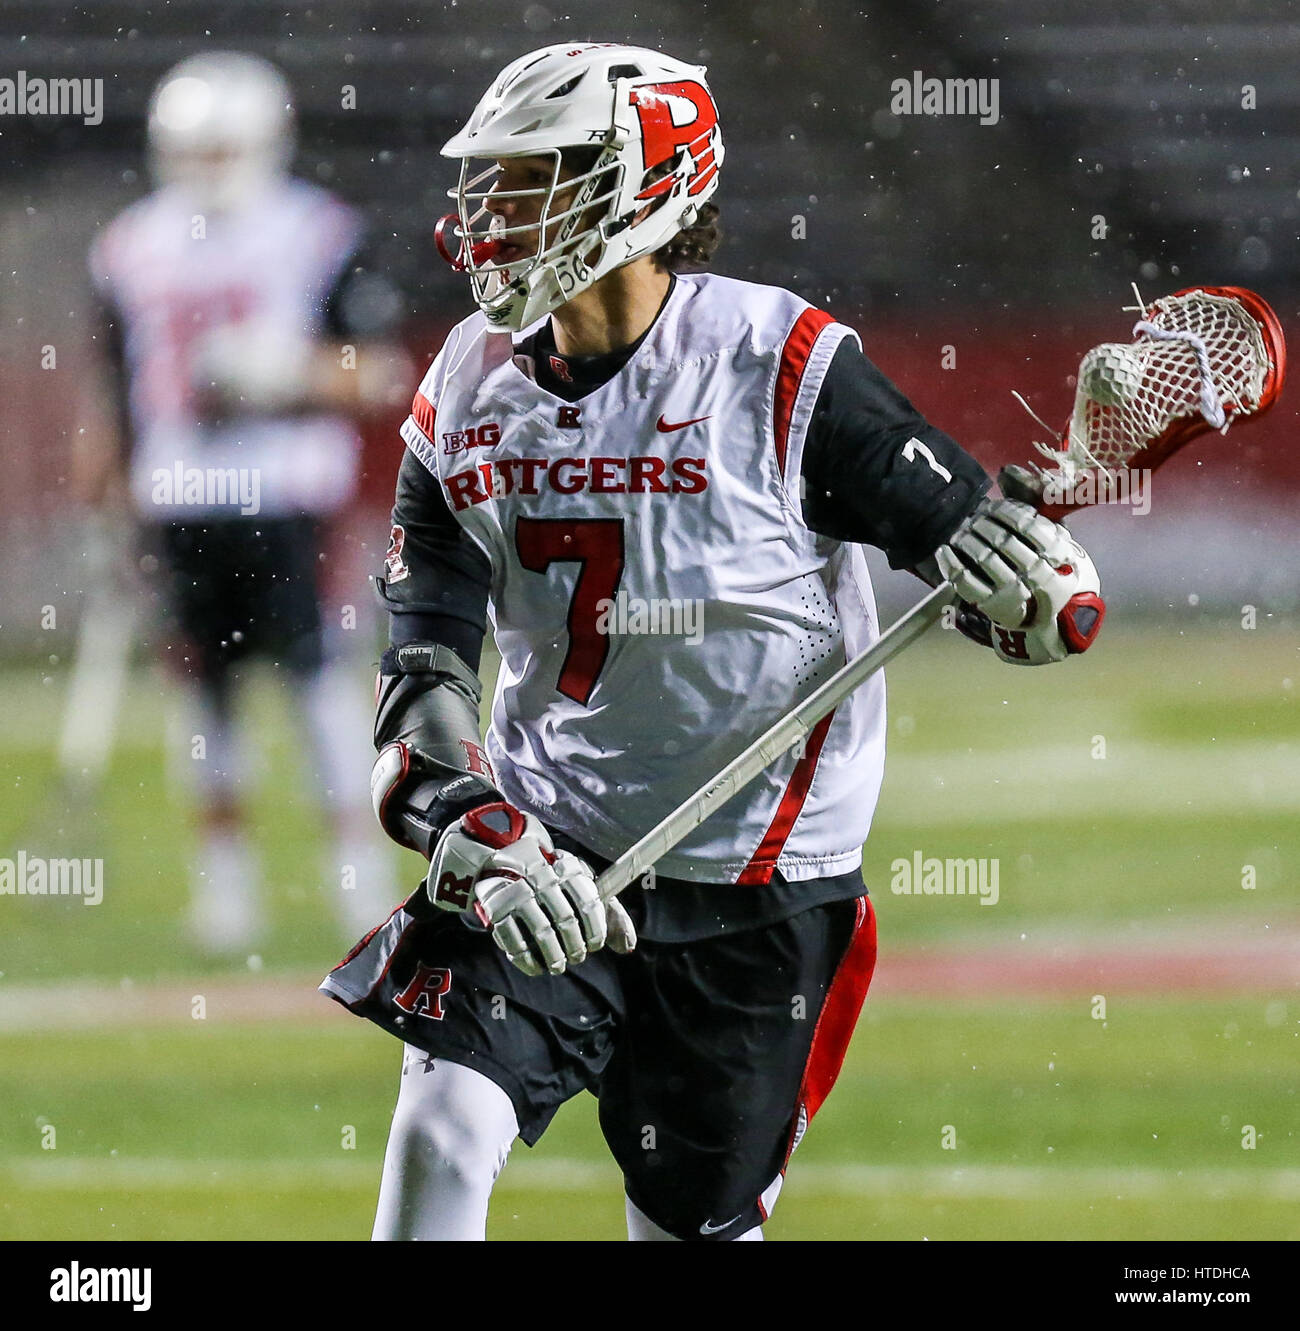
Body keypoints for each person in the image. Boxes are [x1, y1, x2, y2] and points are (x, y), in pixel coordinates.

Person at [320, 41, 1105, 1241]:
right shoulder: (470, 382)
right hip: (552, 848)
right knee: (440, 1134)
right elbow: (419, 665)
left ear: (640, 186)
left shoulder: (778, 363)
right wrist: (475, 827)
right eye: (493, 182)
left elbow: (984, 568)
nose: (489, 214)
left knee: (685, 1230)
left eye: (530, 180)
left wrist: (1031, 593)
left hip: (757, 888)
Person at [81, 52, 409, 952]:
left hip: (287, 497)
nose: (209, 170)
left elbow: (380, 371)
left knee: (317, 684)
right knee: (204, 700)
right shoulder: (129, 243)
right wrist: (108, 487)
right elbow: (115, 384)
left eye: (226, 150)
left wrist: (289, 373)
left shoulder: (317, 231)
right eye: (196, 151)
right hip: (179, 503)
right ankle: (224, 892)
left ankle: (358, 879)